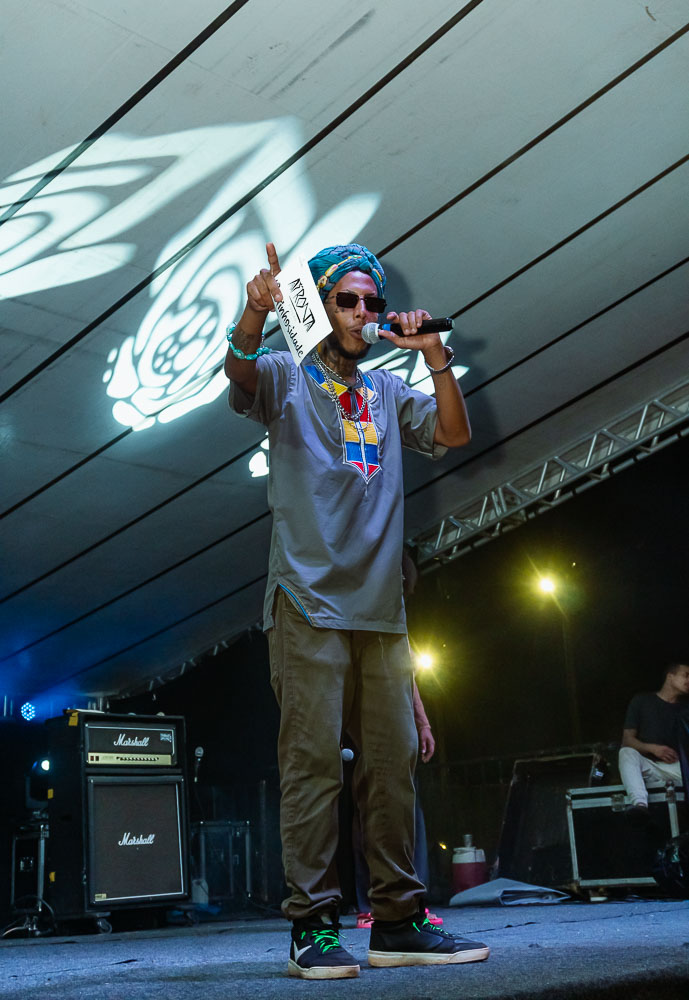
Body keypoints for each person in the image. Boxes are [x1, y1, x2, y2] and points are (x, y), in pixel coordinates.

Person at [225, 242, 488, 979]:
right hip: (307, 601)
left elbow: (452, 435)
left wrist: (433, 356)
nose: (364, 314)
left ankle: (397, 922)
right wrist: (255, 309)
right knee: (313, 770)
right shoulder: (286, 375)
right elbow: (238, 373)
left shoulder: (384, 391)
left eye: (373, 303)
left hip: (381, 611)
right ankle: (312, 926)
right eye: (347, 300)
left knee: (391, 768)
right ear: (319, 307)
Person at [618, 662, 689, 811]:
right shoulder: (641, 701)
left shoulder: (686, 709)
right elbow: (627, 740)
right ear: (670, 677)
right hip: (650, 767)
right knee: (626, 753)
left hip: (679, 769)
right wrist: (653, 749)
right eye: (686, 675)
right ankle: (640, 806)